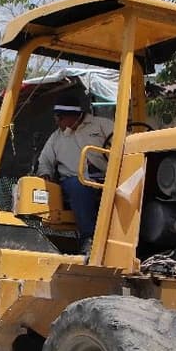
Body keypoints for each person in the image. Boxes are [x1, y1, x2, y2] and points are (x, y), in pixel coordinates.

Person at [37, 104, 113, 253]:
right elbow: (45, 160)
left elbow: (124, 142)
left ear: (73, 115)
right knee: (78, 186)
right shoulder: (56, 137)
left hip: (107, 177)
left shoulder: (102, 125)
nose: (57, 121)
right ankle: (89, 239)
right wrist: (45, 173)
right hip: (75, 180)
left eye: (60, 117)